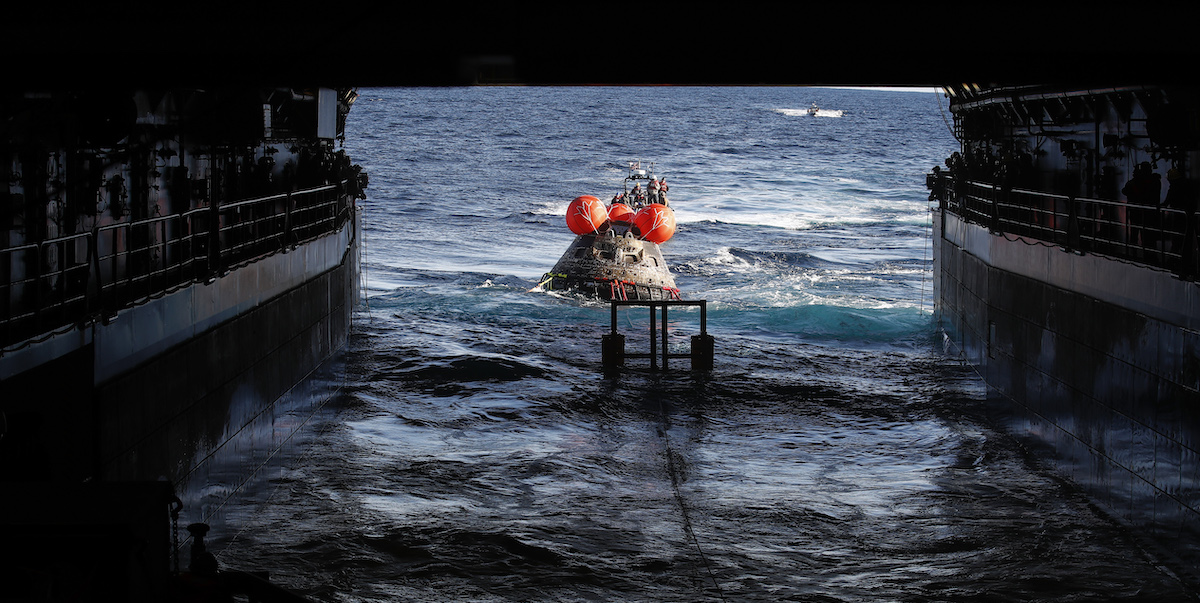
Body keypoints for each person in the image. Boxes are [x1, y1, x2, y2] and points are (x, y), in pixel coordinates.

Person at [1165, 168, 1199, 278]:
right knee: (1187, 241)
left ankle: (1175, 261)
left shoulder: (1174, 188)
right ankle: (1184, 262)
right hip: (1189, 217)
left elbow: (1167, 202)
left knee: (1178, 240)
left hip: (1180, 218)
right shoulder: (1188, 186)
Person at [1122, 162, 1162, 252]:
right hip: (1150, 214)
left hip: (1137, 213)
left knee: (1135, 235)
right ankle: (1150, 255)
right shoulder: (1154, 181)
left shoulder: (1135, 183)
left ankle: (1134, 253)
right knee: (1149, 237)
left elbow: (1125, 191)